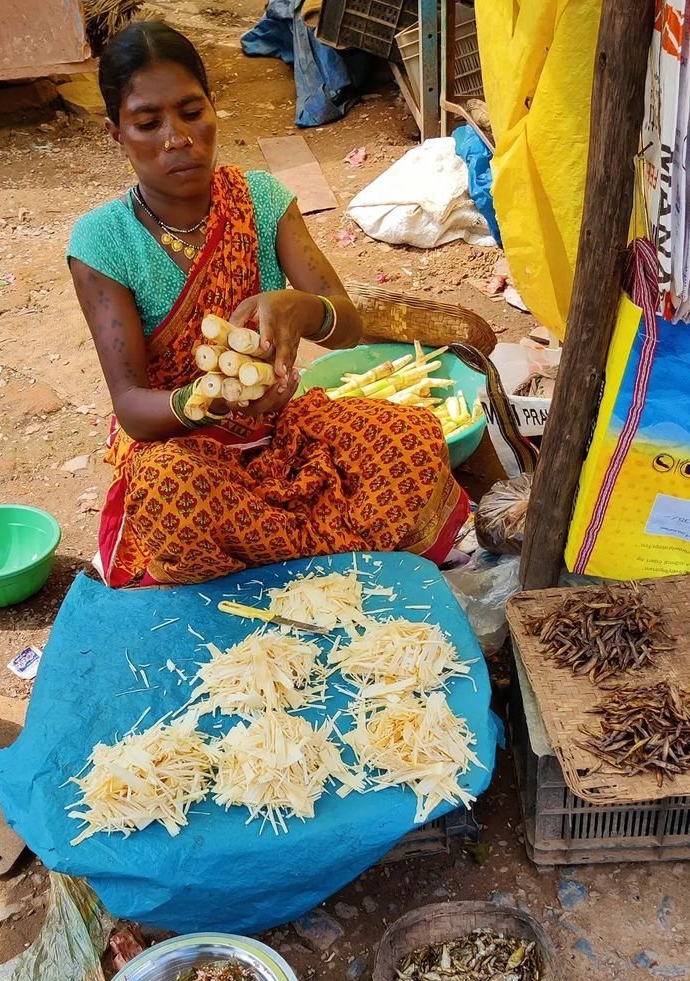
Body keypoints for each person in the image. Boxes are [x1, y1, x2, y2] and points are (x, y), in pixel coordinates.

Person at [68, 20, 469, 586]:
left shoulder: (260, 200)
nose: (177, 138)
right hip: (183, 449)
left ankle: (280, 559)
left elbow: (347, 325)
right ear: (116, 133)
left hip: (281, 428)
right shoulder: (103, 242)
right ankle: (322, 555)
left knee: (409, 439)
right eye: (148, 123)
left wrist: (302, 308)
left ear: (212, 108)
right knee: (166, 491)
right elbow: (132, 406)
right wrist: (209, 399)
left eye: (191, 111)